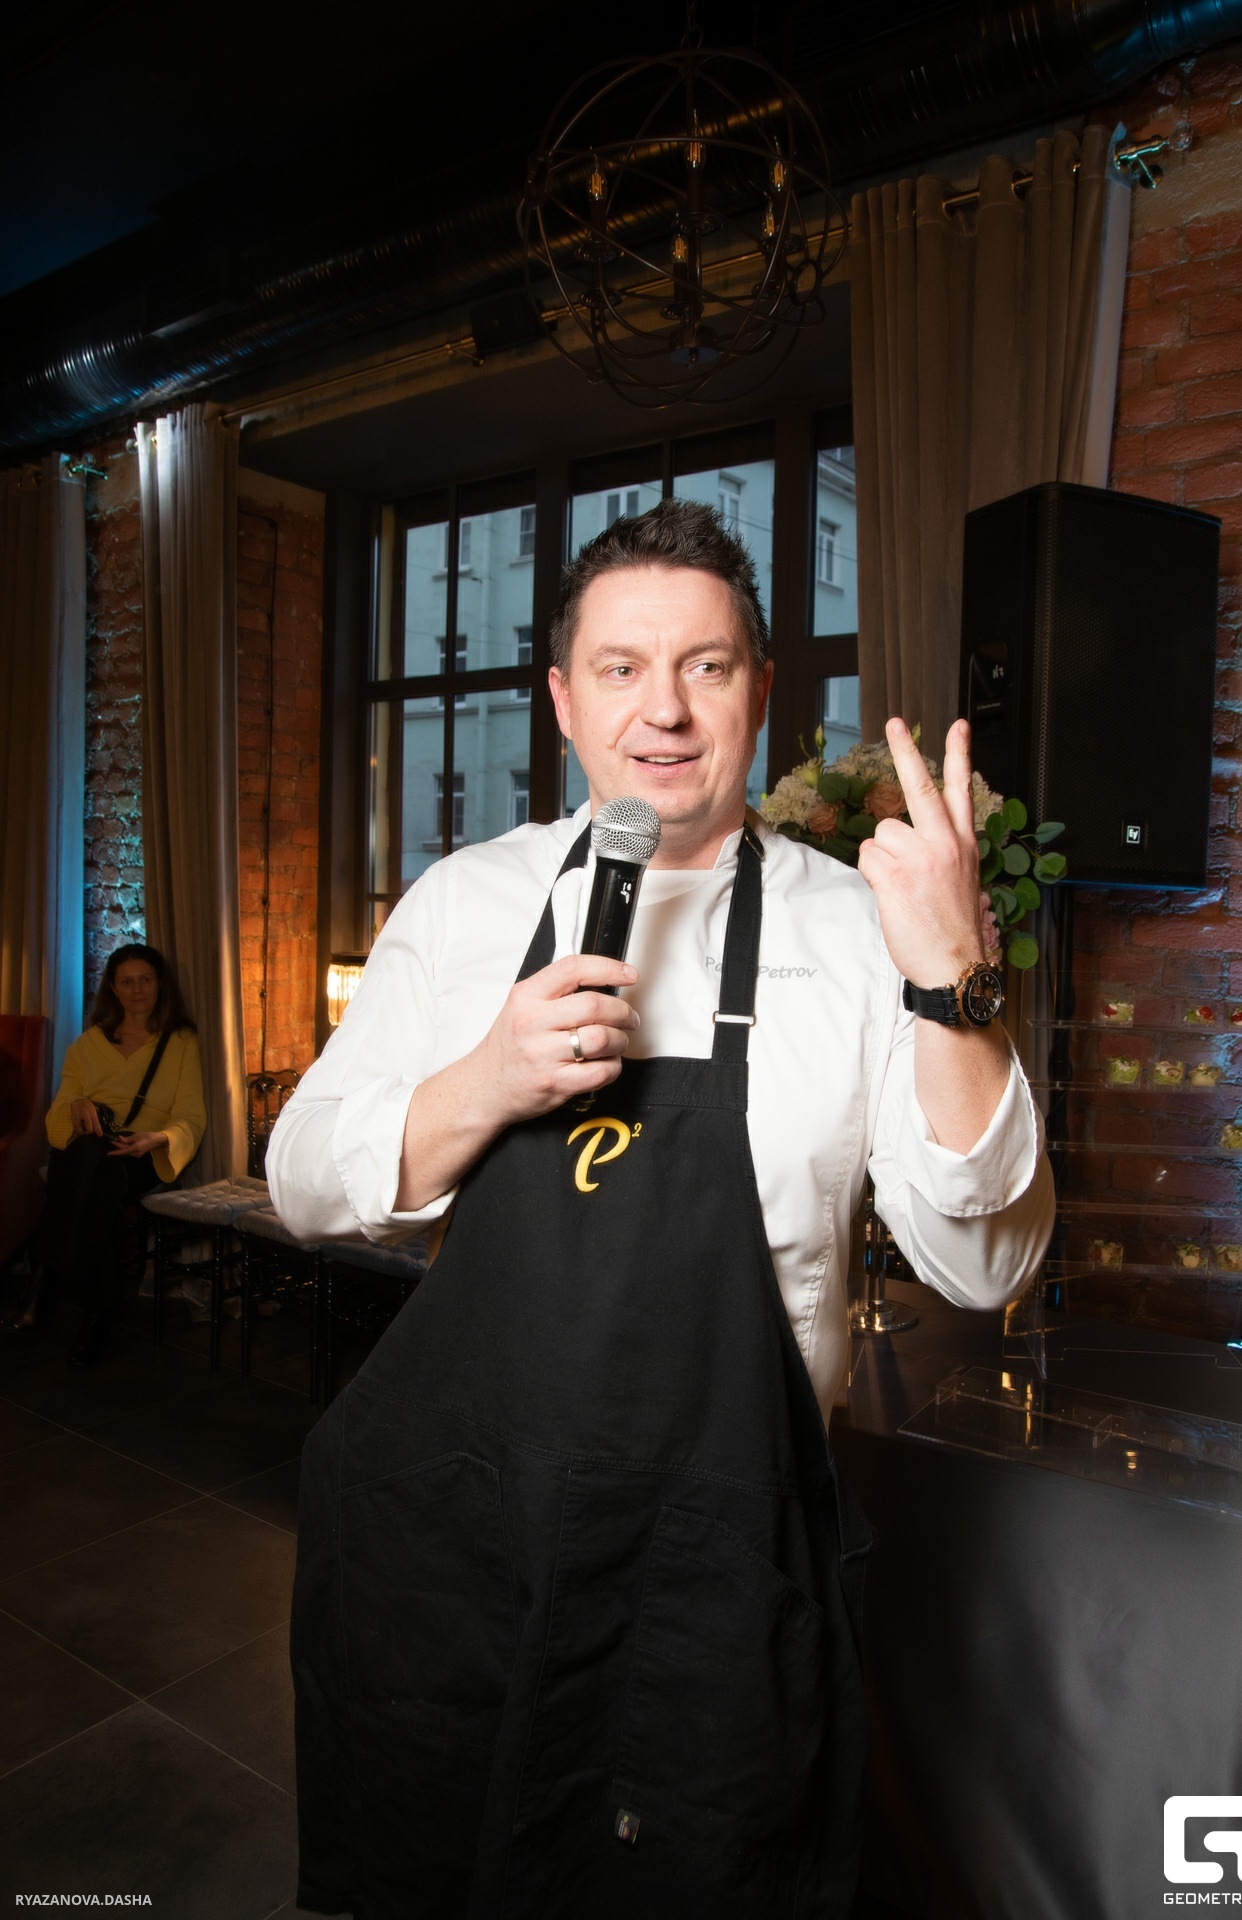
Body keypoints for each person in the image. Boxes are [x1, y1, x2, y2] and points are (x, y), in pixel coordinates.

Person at [269, 500, 1055, 1918]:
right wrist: (487, 1081)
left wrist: (952, 980)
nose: (666, 711)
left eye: (705, 666)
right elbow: (304, 1176)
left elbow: (982, 1258)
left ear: (760, 690)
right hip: (465, 1544)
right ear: (564, 699)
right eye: (621, 668)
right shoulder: (464, 903)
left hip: (725, 1560)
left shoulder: (853, 928)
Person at [7, 943, 206, 1367]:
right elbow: (56, 1119)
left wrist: (156, 1138)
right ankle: (97, 1315)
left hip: (143, 1153)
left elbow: (190, 1118)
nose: (138, 990)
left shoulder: (180, 1041)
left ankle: (44, 1276)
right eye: (127, 982)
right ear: (113, 989)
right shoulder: (88, 1044)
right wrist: (76, 1106)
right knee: (95, 1169)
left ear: (160, 984)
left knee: (89, 1168)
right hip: (92, 1151)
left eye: (146, 980)